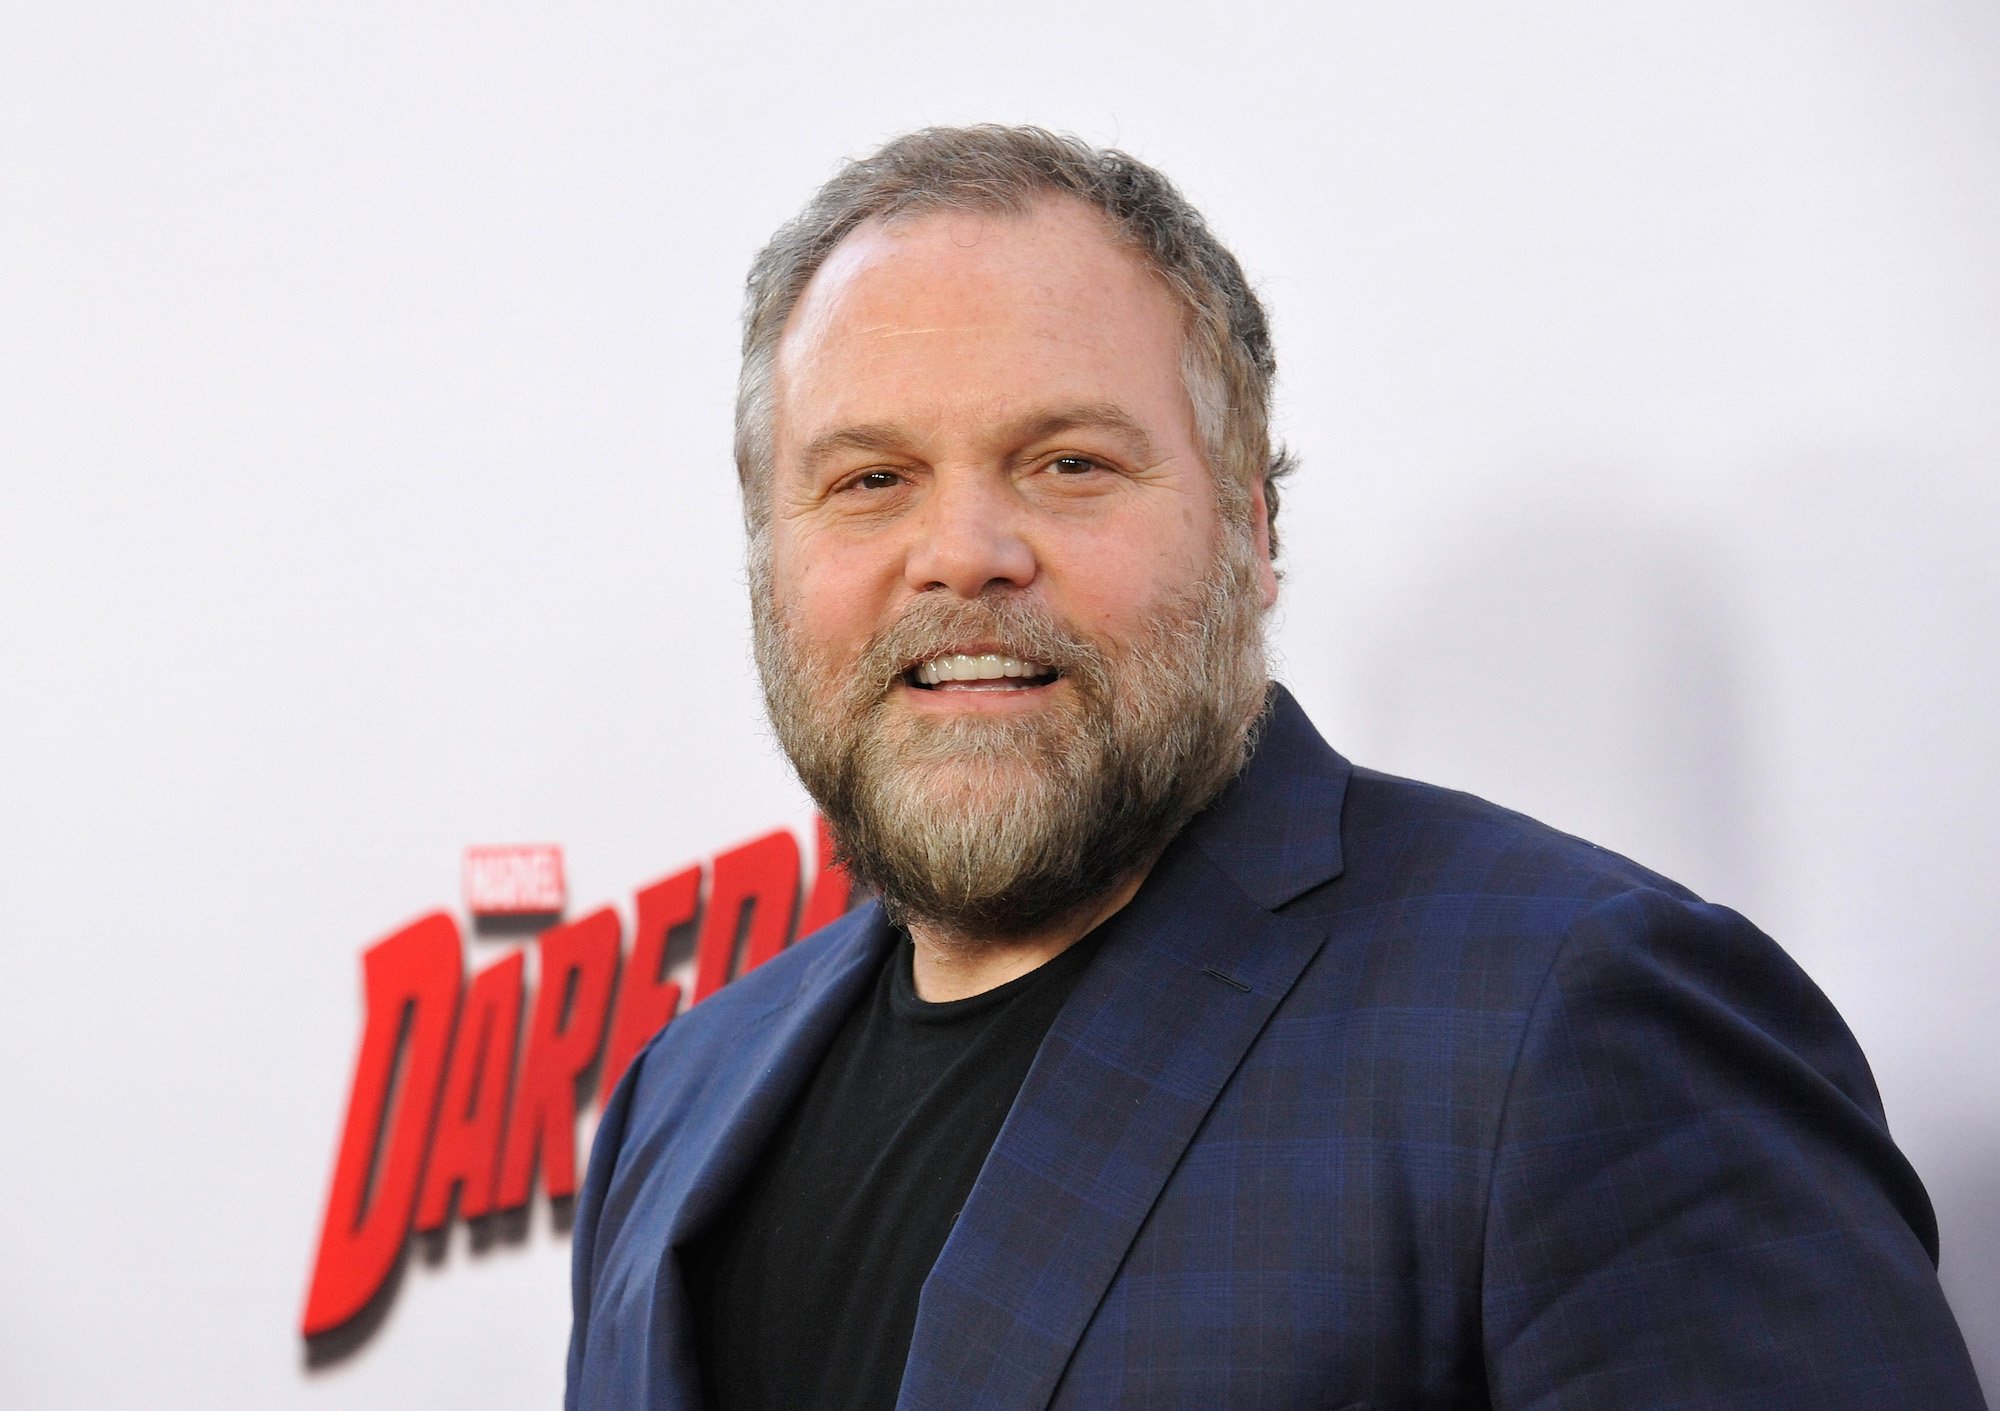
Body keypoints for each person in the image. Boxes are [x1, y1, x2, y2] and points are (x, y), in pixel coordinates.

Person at [566, 126, 1985, 1410]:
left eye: (1067, 463)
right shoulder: (678, 1097)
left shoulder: (1570, 1022)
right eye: (870, 479)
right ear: (769, 557)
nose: (963, 553)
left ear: (1251, 530)